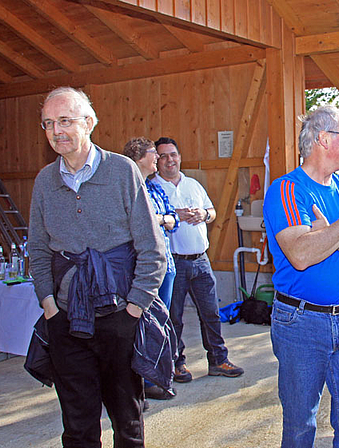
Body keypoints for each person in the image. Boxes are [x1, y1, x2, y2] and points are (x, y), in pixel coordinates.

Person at [29, 87, 166, 447]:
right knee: (77, 428)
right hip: (65, 320)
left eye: (65, 121)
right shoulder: (45, 181)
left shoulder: (121, 171)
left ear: (89, 123)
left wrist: (134, 310)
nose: (56, 130)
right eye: (48, 123)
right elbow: (39, 251)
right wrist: (49, 307)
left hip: (119, 317)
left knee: (128, 424)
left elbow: (152, 249)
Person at [263, 105, 339, 447]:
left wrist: (330, 234)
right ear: (323, 139)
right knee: (301, 426)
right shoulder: (287, 189)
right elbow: (301, 255)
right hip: (301, 324)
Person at [152, 137, 243, 382]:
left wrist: (203, 214)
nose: (170, 160)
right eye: (163, 156)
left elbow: (212, 213)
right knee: (174, 316)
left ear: (180, 156)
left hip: (201, 260)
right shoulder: (152, 188)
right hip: (173, 262)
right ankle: (175, 363)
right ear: (156, 161)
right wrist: (174, 216)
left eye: (173, 154)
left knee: (210, 313)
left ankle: (218, 360)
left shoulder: (192, 184)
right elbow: (148, 220)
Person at [123, 136, 179, 400]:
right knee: (143, 324)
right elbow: (132, 224)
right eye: (152, 154)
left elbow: (173, 219)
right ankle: (140, 385)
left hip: (166, 264)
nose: (157, 158)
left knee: (160, 323)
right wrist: (159, 220)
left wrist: (161, 219)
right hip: (143, 270)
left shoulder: (155, 189)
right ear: (138, 156)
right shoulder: (127, 187)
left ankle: (155, 376)